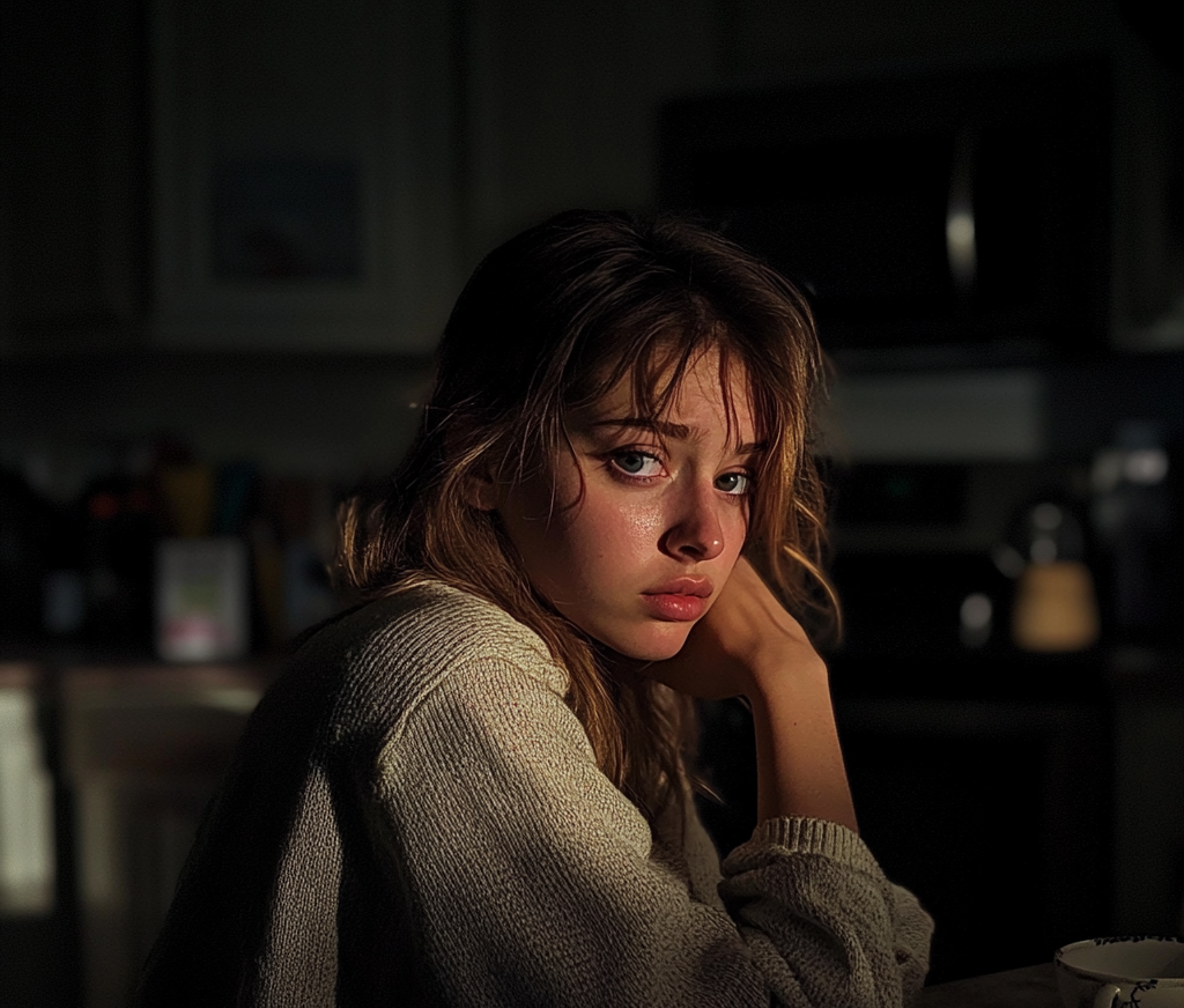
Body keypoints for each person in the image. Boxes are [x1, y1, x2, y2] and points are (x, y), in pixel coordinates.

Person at [134, 210, 933, 1007]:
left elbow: (864, 961)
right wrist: (789, 675)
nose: (708, 536)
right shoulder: (460, 678)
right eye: (638, 458)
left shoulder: (594, 655)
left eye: (734, 477)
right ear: (480, 457)